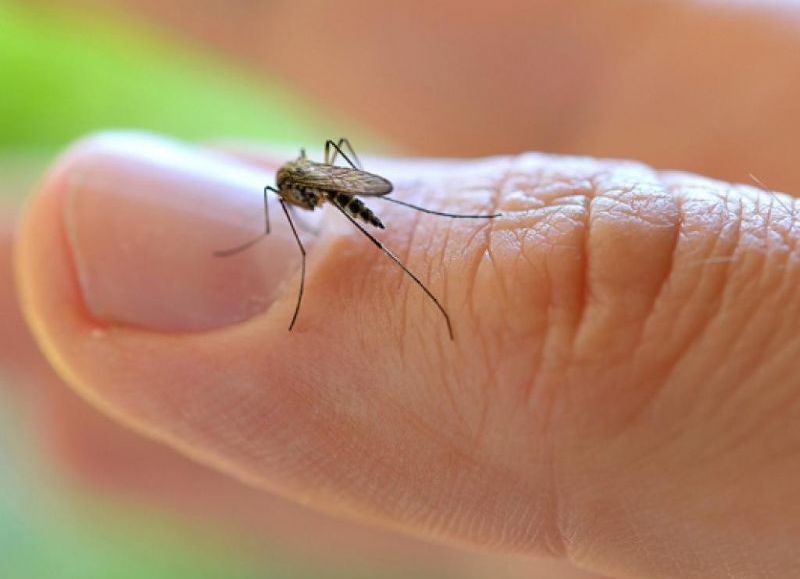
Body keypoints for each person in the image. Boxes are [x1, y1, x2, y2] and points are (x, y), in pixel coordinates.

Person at [6, 2, 800, 578]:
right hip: (354, 190)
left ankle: (405, 245)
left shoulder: (299, 183)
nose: (284, 202)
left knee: (332, 196)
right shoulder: (291, 184)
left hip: (368, 193)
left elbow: (308, 193)